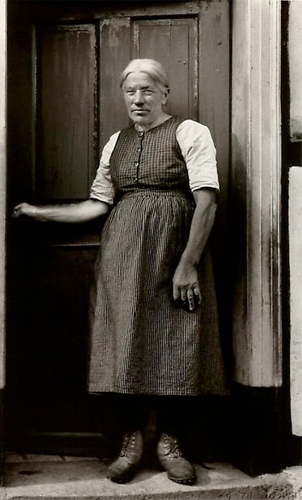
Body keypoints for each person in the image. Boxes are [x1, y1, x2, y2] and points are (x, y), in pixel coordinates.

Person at [13, 59, 226, 485]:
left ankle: (170, 443)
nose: (138, 99)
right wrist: (39, 213)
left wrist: (187, 265)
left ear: (165, 92)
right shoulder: (116, 143)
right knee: (121, 345)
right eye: (130, 91)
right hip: (121, 257)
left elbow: (207, 202)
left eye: (147, 90)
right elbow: (97, 205)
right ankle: (131, 443)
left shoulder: (189, 133)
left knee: (178, 344)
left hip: (173, 255)